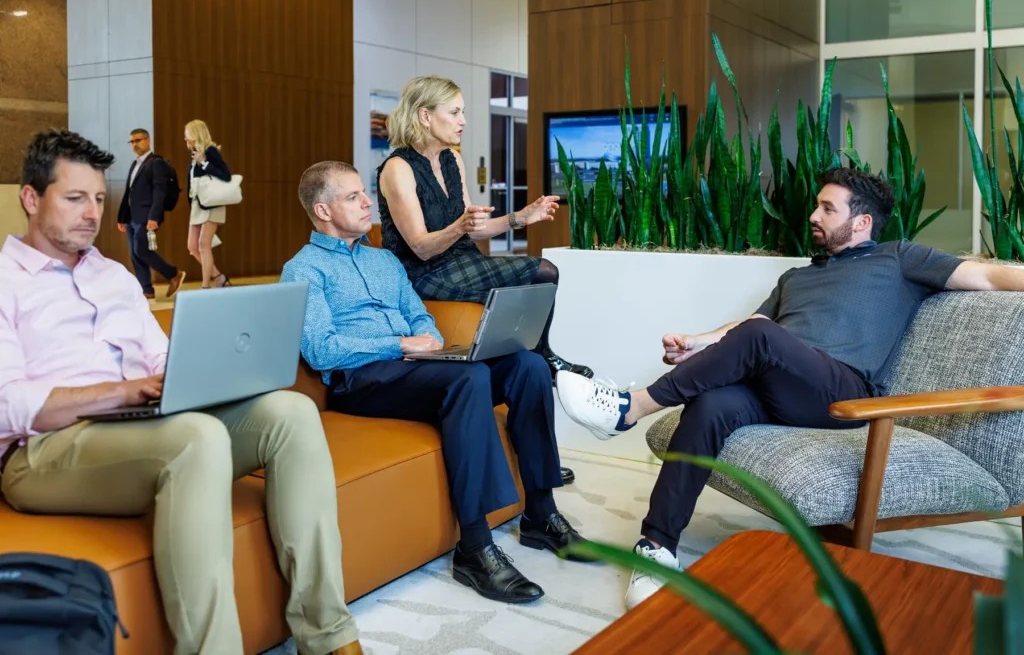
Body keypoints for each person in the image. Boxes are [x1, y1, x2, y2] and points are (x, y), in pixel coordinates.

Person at [556, 167, 1024, 611]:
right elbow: (751, 325)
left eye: (827, 209)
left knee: (761, 342)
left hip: (843, 393)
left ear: (861, 222)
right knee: (711, 403)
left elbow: (988, 276)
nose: (814, 217)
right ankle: (657, 547)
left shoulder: (899, 257)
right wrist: (697, 343)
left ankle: (629, 408)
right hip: (779, 384)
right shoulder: (796, 277)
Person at [0, 130, 362, 655]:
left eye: (100, 199)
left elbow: (161, 362)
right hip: (42, 452)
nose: (92, 213)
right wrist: (122, 394)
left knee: (291, 412)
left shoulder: (115, 277)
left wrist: (210, 370)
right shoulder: (6, 280)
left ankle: (330, 636)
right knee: (197, 437)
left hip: (139, 428)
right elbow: (8, 406)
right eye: (75, 198)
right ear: (31, 198)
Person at [281, 161, 595, 605]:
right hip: (362, 380)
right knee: (468, 380)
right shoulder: (304, 269)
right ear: (323, 210)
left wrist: (427, 335)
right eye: (353, 197)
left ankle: (541, 514)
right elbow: (323, 351)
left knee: (528, 366)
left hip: (413, 366)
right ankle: (474, 547)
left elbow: (418, 312)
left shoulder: (384, 259)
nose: (368, 201)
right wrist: (401, 343)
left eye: (363, 192)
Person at [376, 75, 592, 382]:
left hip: (465, 260)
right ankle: (540, 363)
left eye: (463, 111)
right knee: (535, 276)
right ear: (425, 116)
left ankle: (541, 358)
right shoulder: (398, 168)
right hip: (423, 272)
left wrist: (521, 217)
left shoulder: (452, 159)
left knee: (545, 272)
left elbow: (473, 230)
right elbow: (420, 247)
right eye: (454, 112)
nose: (463, 120)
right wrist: (459, 227)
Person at [116, 128, 186, 299]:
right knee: (134, 254)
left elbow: (159, 192)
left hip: (147, 216)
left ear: (148, 141)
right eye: (132, 141)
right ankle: (146, 289)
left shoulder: (156, 163)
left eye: (138, 140)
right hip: (132, 216)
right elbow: (129, 192)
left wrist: (154, 217)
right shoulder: (135, 164)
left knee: (141, 250)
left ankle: (173, 274)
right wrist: (122, 217)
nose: (135, 145)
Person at [184, 119, 232, 289]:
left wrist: (204, 162)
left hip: (212, 204)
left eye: (188, 136)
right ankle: (218, 277)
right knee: (192, 246)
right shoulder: (194, 153)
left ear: (196, 134)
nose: (186, 140)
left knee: (204, 245)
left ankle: (205, 286)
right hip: (198, 206)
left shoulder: (210, 151)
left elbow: (226, 175)